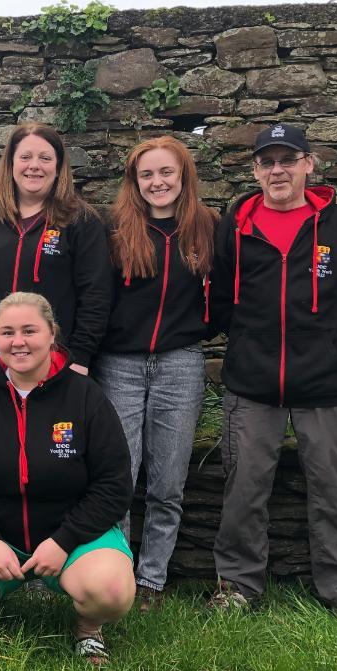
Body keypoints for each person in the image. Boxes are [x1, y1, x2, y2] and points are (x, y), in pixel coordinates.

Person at [208, 123, 337, 635]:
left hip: (323, 382)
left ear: (310, 163)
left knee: (335, 489)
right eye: (268, 162)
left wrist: (324, 338)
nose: (278, 170)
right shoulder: (235, 224)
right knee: (244, 487)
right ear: (255, 170)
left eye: (289, 160)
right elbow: (221, 296)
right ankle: (238, 586)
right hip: (252, 382)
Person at [0, 292, 135, 665]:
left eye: (30, 330)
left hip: (71, 538)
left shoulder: (86, 397)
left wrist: (64, 541)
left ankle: (88, 629)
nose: (18, 342)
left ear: (52, 334)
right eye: (7, 332)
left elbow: (114, 485)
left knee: (111, 590)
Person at [93, 136, 218, 612]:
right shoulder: (114, 230)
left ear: (183, 175)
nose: (157, 182)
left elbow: (225, 293)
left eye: (166, 172)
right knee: (119, 478)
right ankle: (116, 572)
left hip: (180, 362)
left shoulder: (207, 227)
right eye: (147, 174)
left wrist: (201, 329)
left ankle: (152, 581)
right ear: (134, 181)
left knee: (168, 482)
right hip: (119, 364)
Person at [0, 123, 111, 381]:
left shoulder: (81, 223)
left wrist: (81, 356)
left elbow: (96, 294)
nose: (34, 165)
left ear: (58, 168)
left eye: (45, 158)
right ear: (11, 164)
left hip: (57, 361)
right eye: (25, 157)